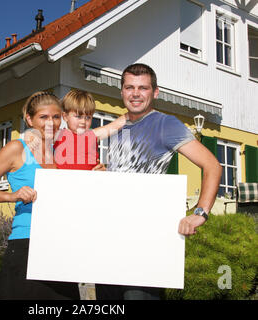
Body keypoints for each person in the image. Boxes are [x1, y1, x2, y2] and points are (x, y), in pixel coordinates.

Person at [95, 63, 222, 300]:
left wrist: (201, 212)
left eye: (143, 88)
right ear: (121, 91)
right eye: (129, 87)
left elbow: (212, 165)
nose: (135, 93)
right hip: (111, 239)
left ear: (155, 92)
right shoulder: (118, 127)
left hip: (146, 240)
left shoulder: (166, 124)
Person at [0, 91, 81, 300]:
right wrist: (12, 196)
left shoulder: (63, 152)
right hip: (26, 242)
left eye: (56, 117)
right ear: (29, 119)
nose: (51, 123)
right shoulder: (16, 148)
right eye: (43, 117)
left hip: (60, 243)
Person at [53, 89, 128, 170]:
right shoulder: (58, 134)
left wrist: (137, 112)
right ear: (65, 116)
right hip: (64, 181)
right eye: (78, 116)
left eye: (88, 117)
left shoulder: (92, 135)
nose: (83, 121)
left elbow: (115, 125)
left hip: (89, 181)